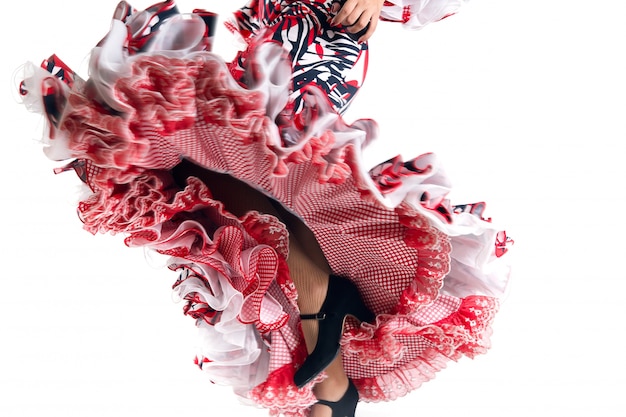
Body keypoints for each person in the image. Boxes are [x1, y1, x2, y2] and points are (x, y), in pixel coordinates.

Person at [17, 1, 512, 416]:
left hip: (319, 41)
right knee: (204, 174)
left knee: (213, 149)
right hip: (277, 43)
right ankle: (332, 374)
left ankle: (323, 310)